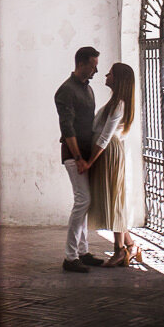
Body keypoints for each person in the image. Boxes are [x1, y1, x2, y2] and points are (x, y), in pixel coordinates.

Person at [84, 62, 144, 267]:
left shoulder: (118, 104)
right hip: (107, 152)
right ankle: (131, 246)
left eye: (111, 73)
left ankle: (120, 250)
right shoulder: (115, 102)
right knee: (112, 199)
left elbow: (104, 138)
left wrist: (89, 161)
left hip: (108, 153)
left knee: (114, 199)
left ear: (118, 80)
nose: (106, 75)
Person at [54, 45, 105, 272]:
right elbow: (68, 129)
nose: (96, 70)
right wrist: (78, 157)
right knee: (82, 200)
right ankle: (70, 257)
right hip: (74, 155)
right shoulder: (65, 91)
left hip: (85, 154)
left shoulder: (87, 89)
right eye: (93, 66)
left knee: (84, 202)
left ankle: (82, 252)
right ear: (81, 64)